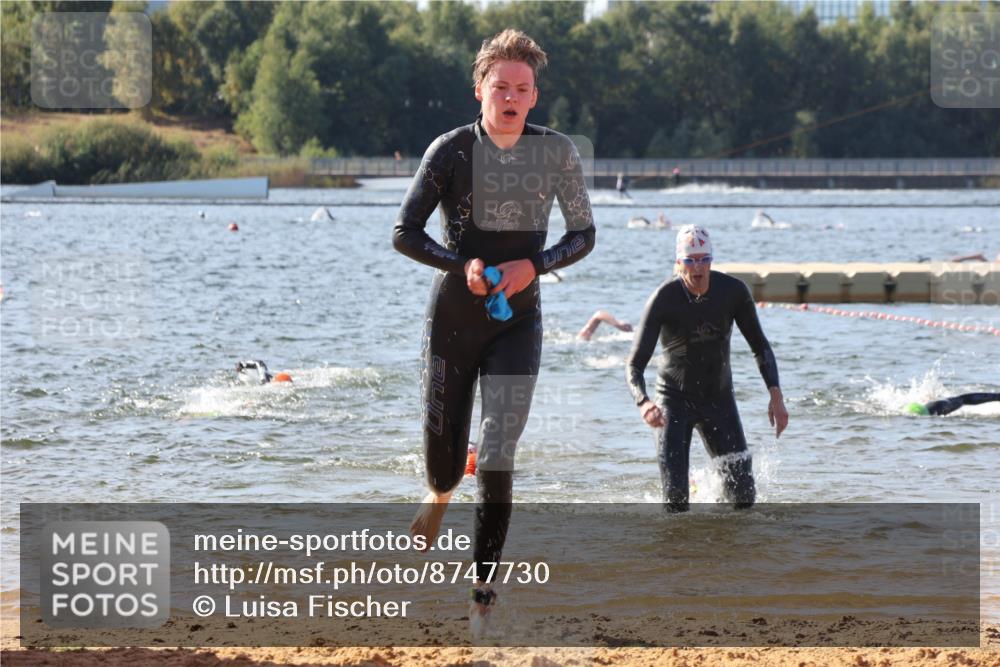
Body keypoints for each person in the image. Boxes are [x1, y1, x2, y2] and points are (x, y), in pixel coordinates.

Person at [392, 29, 595, 628]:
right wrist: (464, 265)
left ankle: (482, 597)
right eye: (499, 86)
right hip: (454, 318)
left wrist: (536, 264)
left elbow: (583, 234)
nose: (510, 97)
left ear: (534, 97)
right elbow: (404, 232)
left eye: (522, 89)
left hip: (518, 322)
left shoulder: (556, 153)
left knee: (499, 454)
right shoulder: (450, 151)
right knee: (444, 463)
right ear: (479, 89)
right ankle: (439, 494)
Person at [625, 225, 788, 512]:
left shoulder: (733, 292)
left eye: (704, 259)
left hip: (719, 399)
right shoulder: (664, 299)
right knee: (676, 502)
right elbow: (634, 364)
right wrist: (644, 402)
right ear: (679, 264)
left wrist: (776, 395)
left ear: (712, 260)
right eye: (690, 260)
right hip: (673, 402)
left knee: (744, 498)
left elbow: (760, 345)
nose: (697, 268)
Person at [905, 392, 1000, 416]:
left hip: (940, 406)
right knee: (963, 399)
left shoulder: (939, 408)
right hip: (932, 406)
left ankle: (997, 396)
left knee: (963, 399)